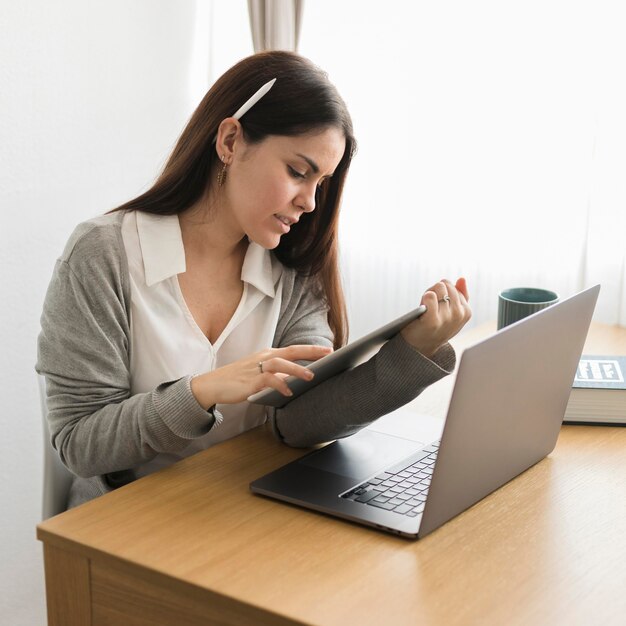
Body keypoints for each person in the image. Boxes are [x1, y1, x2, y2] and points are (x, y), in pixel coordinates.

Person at [36, 51, 471, 508]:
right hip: (124, 521)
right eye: (298, 172)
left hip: (242, 510)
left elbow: (300, 423)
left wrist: (413, 352)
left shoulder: (292, 267)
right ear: (230, 141)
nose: (309, 203)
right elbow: (80, 443)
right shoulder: (103, 254)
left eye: (320, 183)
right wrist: (202, 392)